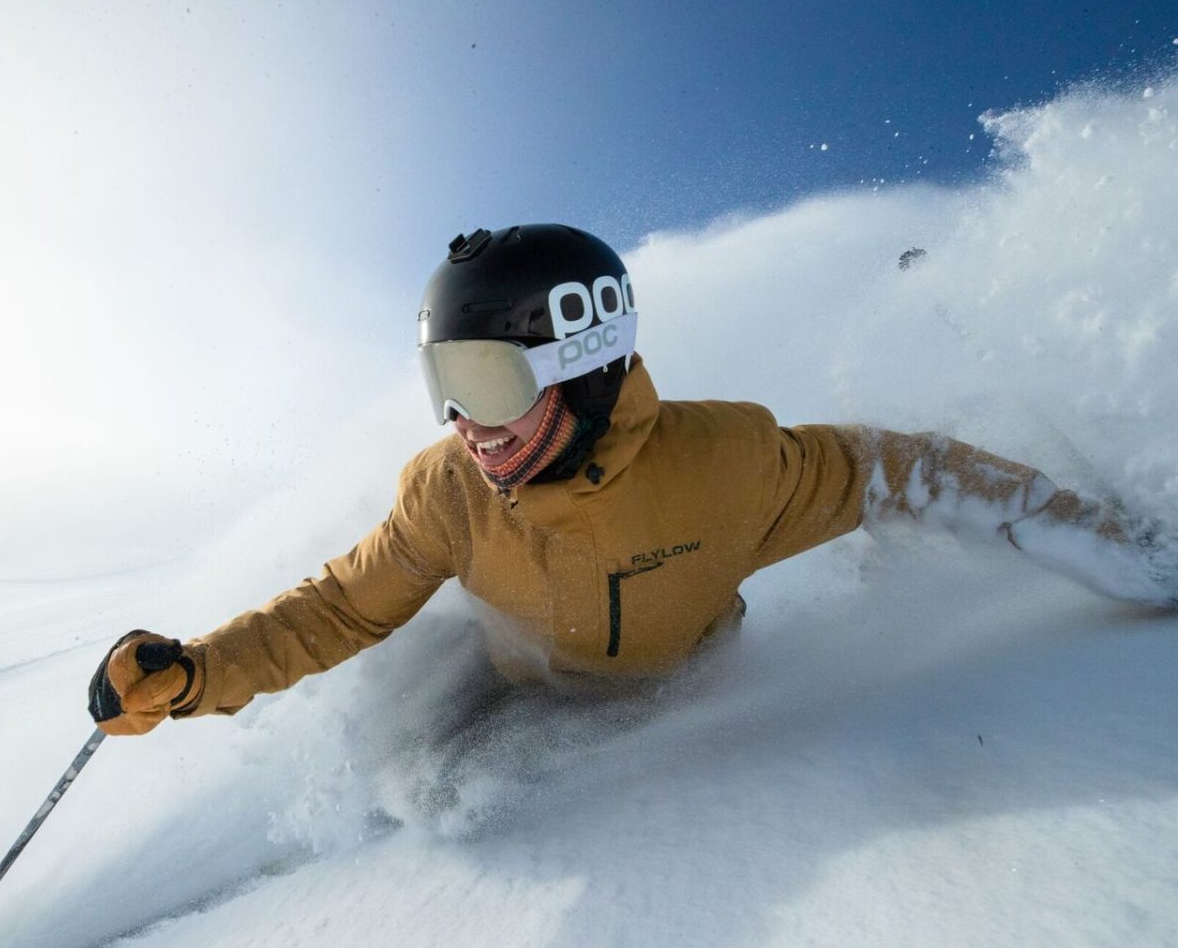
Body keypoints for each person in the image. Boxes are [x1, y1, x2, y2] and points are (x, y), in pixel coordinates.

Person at [88, 224, 1176, 735]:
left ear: (582, 366)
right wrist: (194, 672)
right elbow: (335, 610)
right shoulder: (446, 491)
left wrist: (1103, 544)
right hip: (506, 700)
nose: (466, 423)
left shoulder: (727, 465)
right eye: (445, 385)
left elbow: (907, 469)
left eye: (489, 382)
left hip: (676, 705)